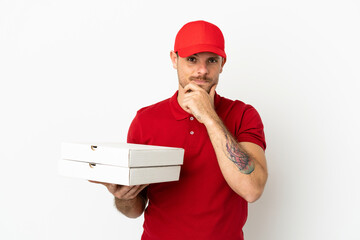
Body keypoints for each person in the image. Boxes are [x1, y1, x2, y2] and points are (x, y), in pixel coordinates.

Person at [93, 20, 268, 240]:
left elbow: (252, 189)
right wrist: (122, 196)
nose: (202, 70)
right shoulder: (145, 120)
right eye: (192, 59)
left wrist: (209, 117)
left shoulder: (243, 114)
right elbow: (135, 210)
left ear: (223, 63)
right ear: (174, 60)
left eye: (211, 60)